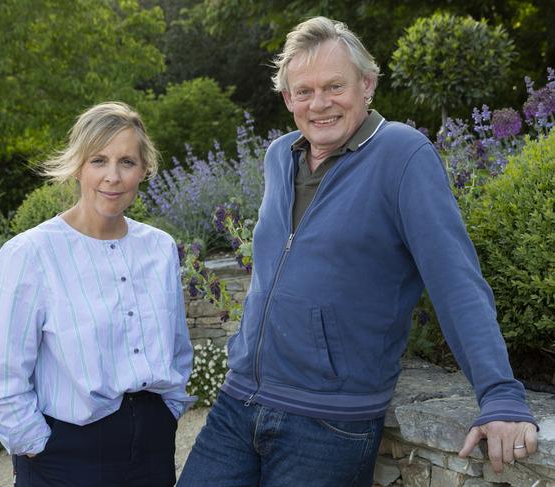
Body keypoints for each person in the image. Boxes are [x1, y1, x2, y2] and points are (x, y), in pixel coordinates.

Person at [177, 17, 538, 487]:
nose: (319, 103)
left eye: (334, 86)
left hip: (327, 423)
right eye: (303, 91)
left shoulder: (403, 154)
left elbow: (456, 283)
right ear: (287, 99)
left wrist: (500, 395)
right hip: (238, 402)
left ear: (366, 84)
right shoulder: (279, 156)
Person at [0, 101, 195, 487]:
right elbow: (3, 380)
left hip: (152, 448)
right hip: (66, 456)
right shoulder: (29, 254)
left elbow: (177, 347)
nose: (112, 176)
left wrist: (168, 411)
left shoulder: (160, 248)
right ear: (78, 165)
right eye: (99, 160)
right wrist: (39, 447)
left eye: (126, 162)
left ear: (143, 170)